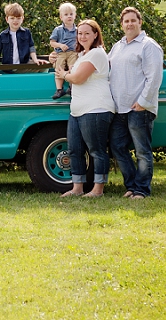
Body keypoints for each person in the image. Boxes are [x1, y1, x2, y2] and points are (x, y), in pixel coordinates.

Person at [54, 19, 116, 198]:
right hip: (77, 110)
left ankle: (98, 190)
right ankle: (77, 188)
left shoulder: (97, 53)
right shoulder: (82, 55)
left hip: (96, 108)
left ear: (96, 34)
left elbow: (78, 78)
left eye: (87, 33)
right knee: (75, 150)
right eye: (80, 33)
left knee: (97, 150)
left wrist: (64, 74)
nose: (82, 36)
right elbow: (72, 69)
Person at [108, 7, 164, 200]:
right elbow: (104, 68)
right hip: (119, 108)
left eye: (133, 20)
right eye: (126, 21)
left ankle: (142, 189)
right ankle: (131, 185)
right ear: (122, 24)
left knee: (142, 150)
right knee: (117, 147)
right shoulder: (118, 45)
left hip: (139, 108)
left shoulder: (148, 46)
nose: (129, 24)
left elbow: (154, 77)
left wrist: (143, 102)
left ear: (140, 22)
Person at [0, 3, 48, 69]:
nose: (15, 21)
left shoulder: (26, 32)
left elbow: (31, 48)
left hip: (24, 65)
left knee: (44, 66)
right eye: (12, 18)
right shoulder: (3, 35)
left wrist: (35, 60)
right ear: (7, 19)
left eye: (18, 18)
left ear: (22, 19)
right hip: (9, 67)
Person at [50, 2, 78, 99]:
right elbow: (52, 42)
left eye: (71, 14)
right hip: (61, 53)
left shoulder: (78, 30)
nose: (69, 16)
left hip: (73, 53)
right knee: (59, 68)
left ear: (75, 16)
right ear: (61, 17)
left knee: (72, 68)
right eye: (66, 14)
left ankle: (71, 87)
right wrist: (60, 45)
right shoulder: (58, 30)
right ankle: (59, 89)